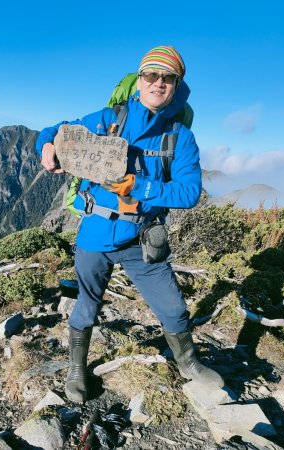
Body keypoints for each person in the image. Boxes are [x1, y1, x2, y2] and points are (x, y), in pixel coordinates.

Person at [36, 45, 224, 403]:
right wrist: (46, 145)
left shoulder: (179, 138)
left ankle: (187, 363)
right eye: (151, 75)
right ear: (139, 81)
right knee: (87, 305)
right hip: (95, 231)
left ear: (177, 85)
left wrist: (139, 186)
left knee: (173, 307)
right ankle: (77, 369)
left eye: (167, 77)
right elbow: (56, 130)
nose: (158, 83)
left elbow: (188, 192)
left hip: (141, 238)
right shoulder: (110, 118)